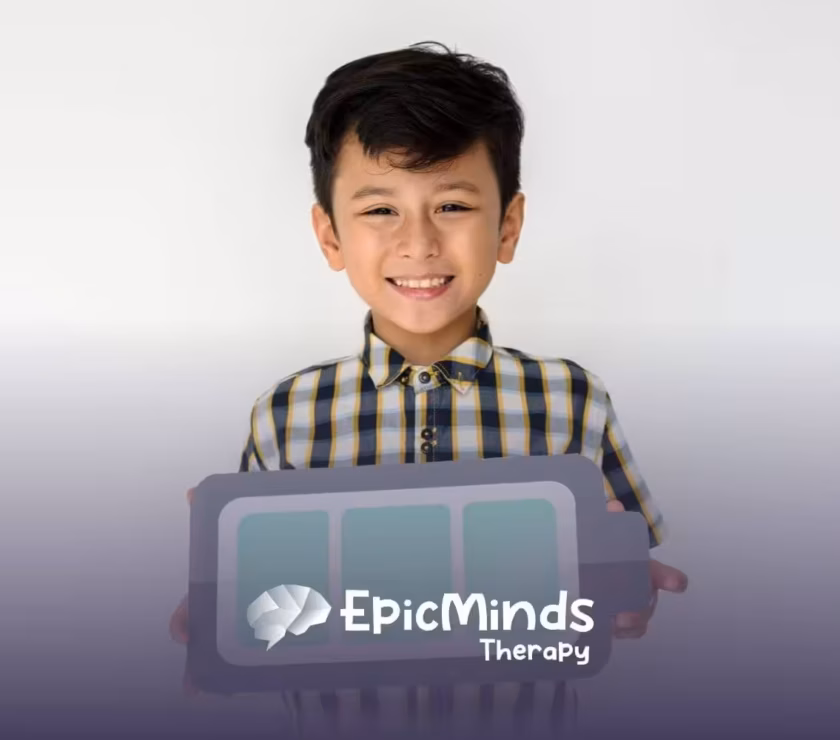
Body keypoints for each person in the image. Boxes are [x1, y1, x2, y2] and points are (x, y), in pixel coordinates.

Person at [169, 40, 688, 736]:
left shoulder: (571, 399)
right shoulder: (285, 416)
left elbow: (624, 572)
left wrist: (627, 586)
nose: (418, 243)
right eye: (380, 210)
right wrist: (216, 605)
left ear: (508, 225)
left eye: (452, 205)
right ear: (330, 236)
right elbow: (256, 600)